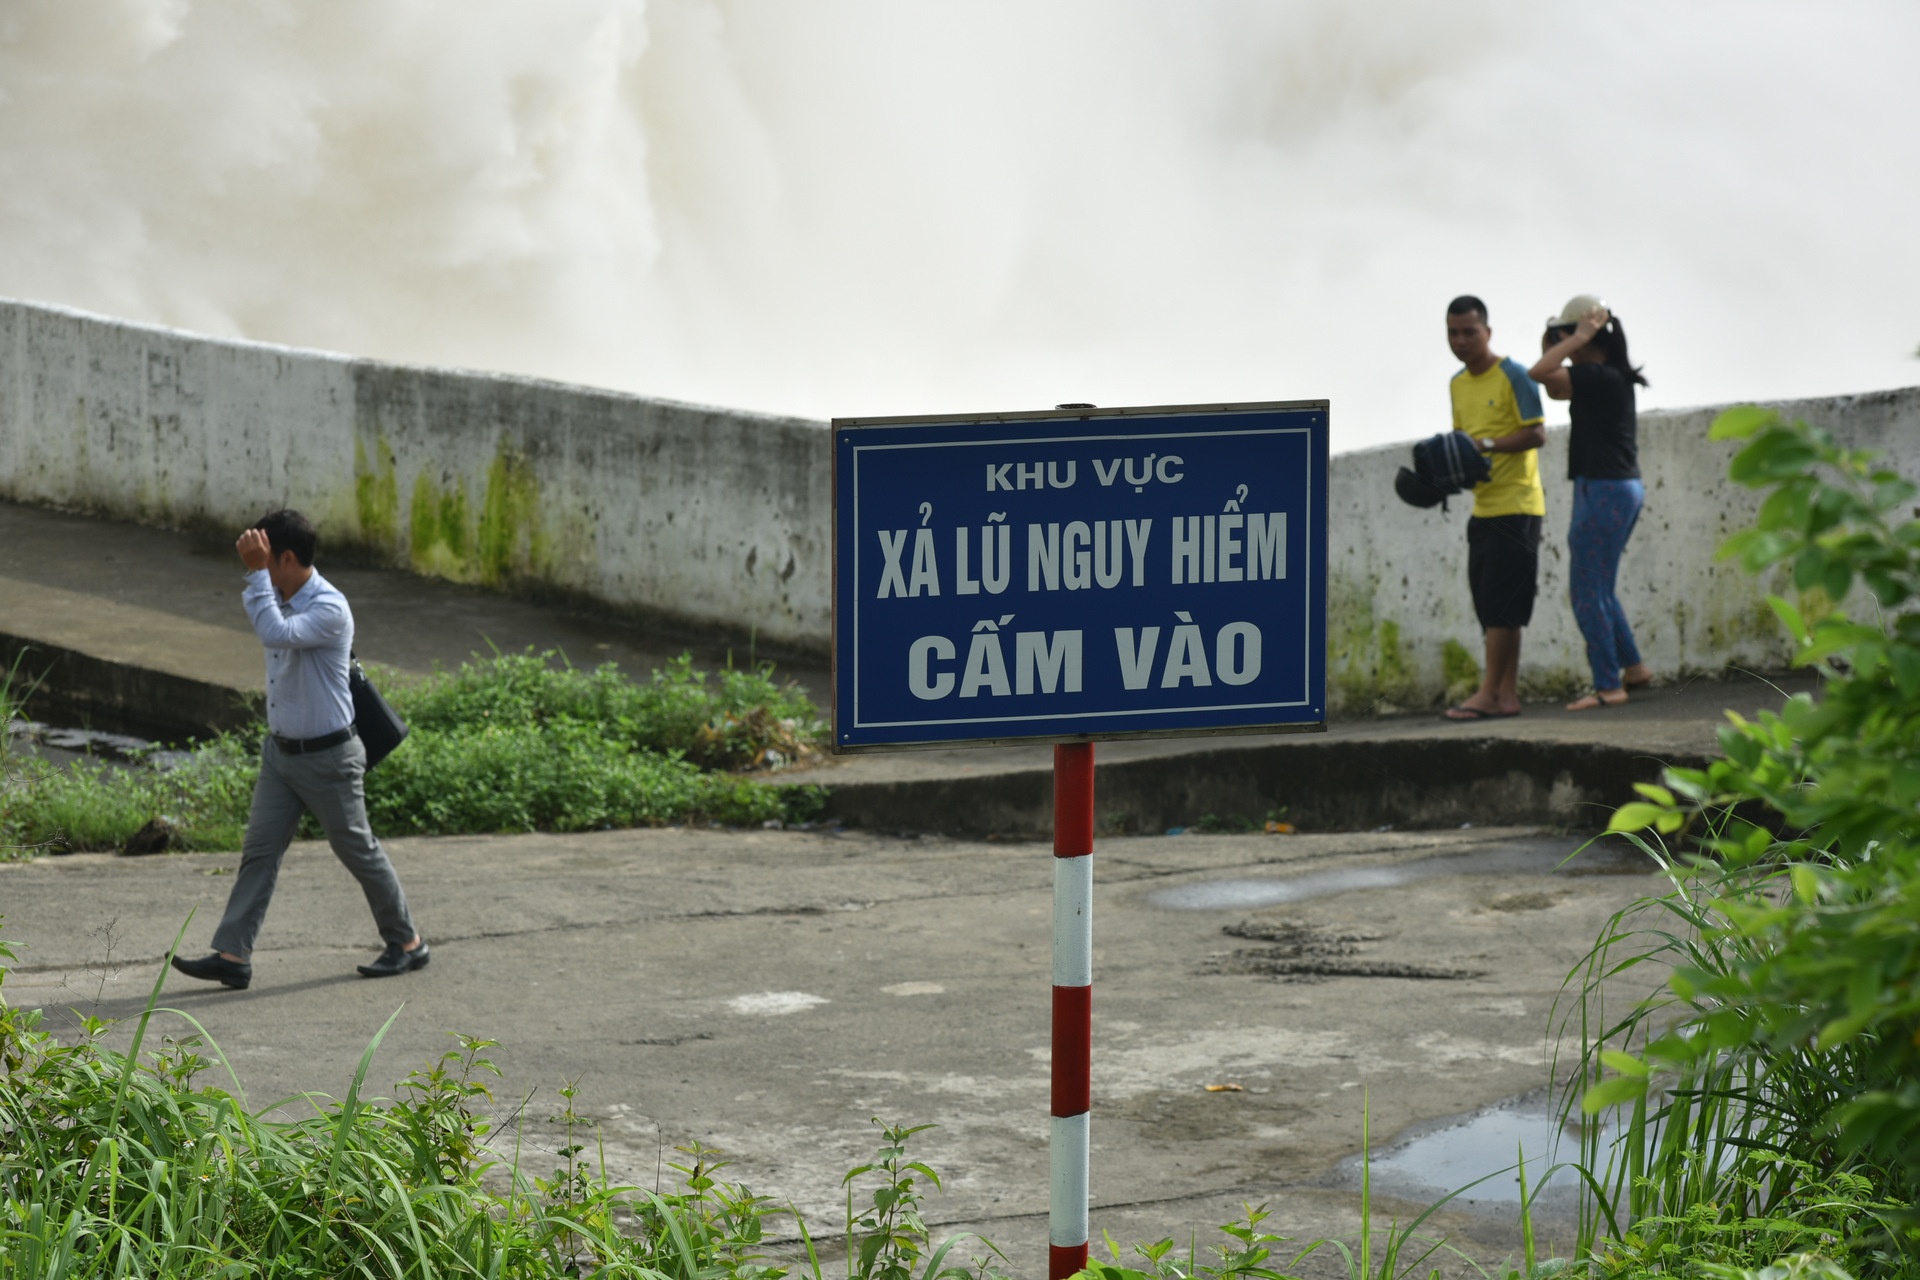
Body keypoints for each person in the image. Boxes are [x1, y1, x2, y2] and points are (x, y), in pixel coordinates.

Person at [171, 510, 428, 990]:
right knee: (259, 851)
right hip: (282, 755)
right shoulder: (281, 596)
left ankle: (408, 942)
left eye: (266, 562)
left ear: (286, 558)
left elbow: (276, 634)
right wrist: (260, 580)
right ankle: (232, 955)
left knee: (357, 850)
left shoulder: (329, 607)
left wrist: (253, 576)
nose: (261, 572)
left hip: (328, 758)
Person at [1529, 295, 1654, 710]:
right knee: (1601, 588)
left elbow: (1539, 372)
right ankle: (1633, 669)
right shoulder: (1604, 376)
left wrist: (1576, 336)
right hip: (1619, 488)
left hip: (1603, 490)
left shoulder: (1599, 376)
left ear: (1587, 335)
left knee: (1586, 591)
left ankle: (1608, 686)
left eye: (1565, 335)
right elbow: (1553, 385)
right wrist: (1565, 340)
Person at [1440, 295, 1548, 721]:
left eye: (1470, 331)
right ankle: (1506, 694)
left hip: (1518, 504)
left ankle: (1488, 693)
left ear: (1488, 331)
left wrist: (1486, 444)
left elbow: (1537, 434)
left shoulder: (1514, 375)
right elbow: (1461, 444)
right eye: (1453, 333)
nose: (1461, 340)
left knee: (1502, 604)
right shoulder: (1457, 384)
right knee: (1493, 607)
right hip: (1482, 508)